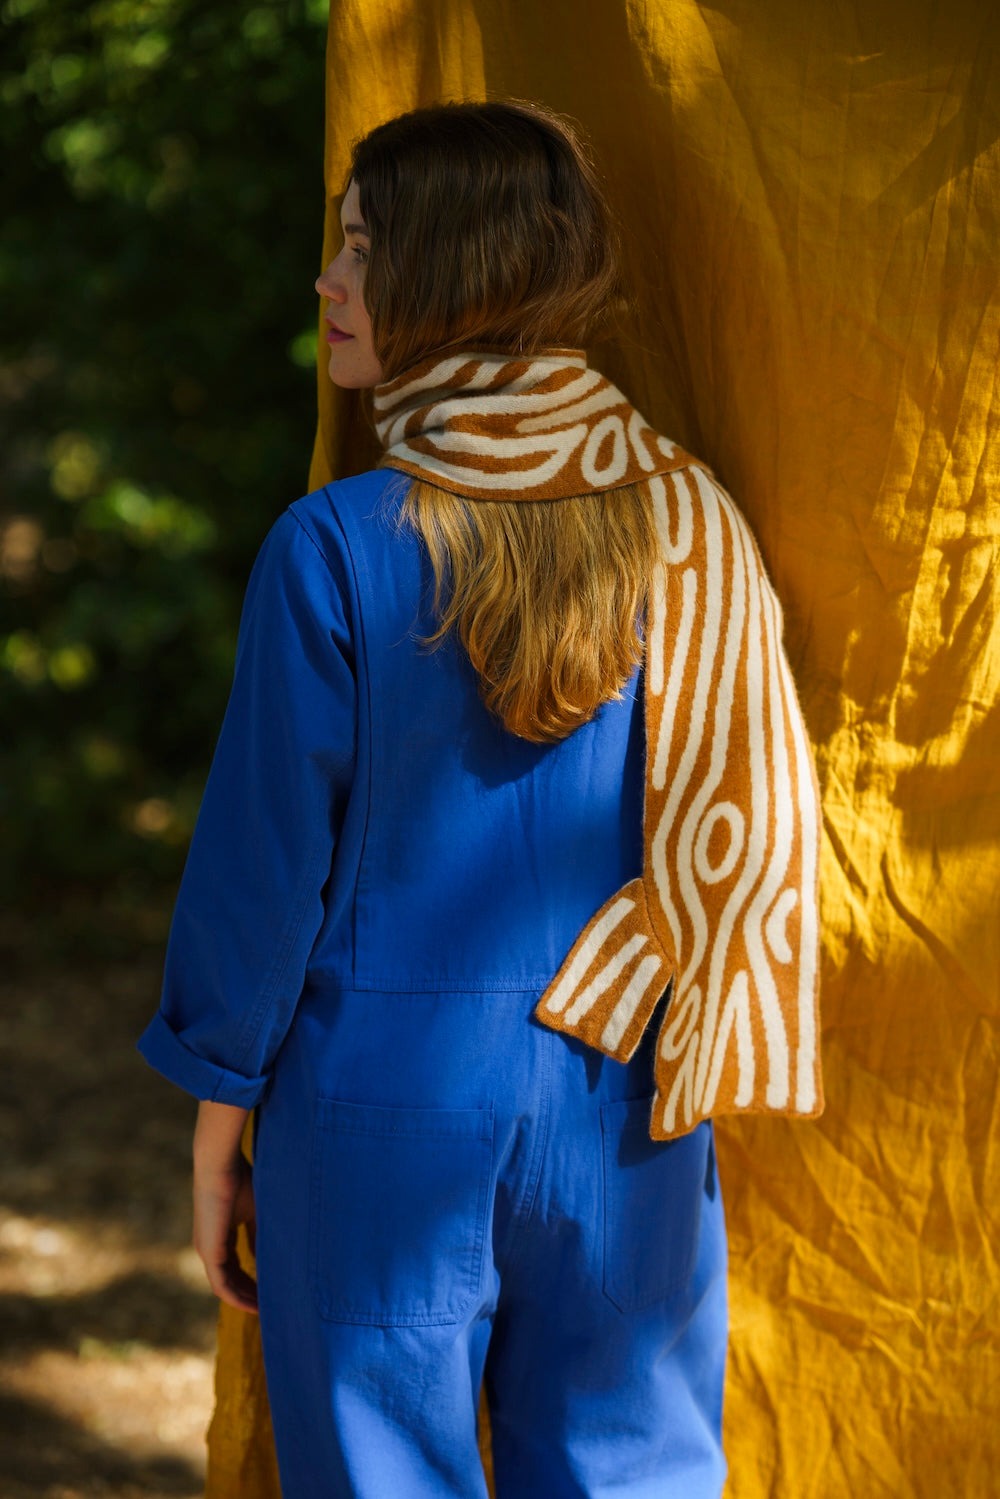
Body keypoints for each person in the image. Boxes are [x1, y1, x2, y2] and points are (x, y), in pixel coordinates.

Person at [139, 99, 822, 1499]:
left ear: (453, 273)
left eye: (361, 248)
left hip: (375, 1111)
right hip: (627, 1092)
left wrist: (219, 1126)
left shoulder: (331, 543)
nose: (329, 282)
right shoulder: (689, 524)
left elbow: (263, 877)